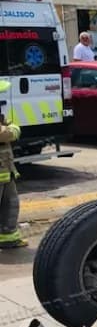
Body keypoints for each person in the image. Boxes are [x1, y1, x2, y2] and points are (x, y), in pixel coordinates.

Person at [0, 81, 26, 249]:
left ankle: (8, 237)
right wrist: (12, 129)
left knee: (11, 204)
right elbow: (6, 134)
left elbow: (11, 128)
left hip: (5, 171)